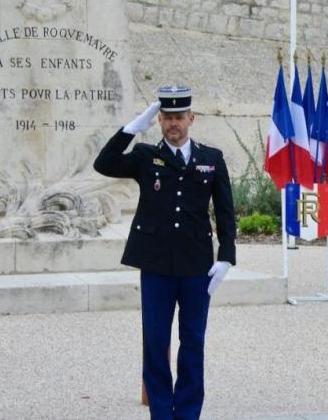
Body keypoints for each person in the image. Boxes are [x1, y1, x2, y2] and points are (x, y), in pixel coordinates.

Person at [94, 85, 236, 419]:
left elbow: (226, 211)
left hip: (196, 265)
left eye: (179, 117)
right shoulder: (145, 156)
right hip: (156, 265)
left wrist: (227, 256)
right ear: (159, 120)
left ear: (191, 119)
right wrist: (133, 127)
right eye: (167, 118)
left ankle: (187, 413)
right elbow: (104, 163)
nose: (173, 124)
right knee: (155, 343)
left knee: (193, 342)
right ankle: (161, 412)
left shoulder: (211, 159)